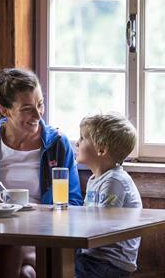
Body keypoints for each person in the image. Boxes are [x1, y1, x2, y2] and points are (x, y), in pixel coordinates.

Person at [0, 68, 83, 278]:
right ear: (5, 110)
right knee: (24, 271)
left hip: (48, 237)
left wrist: (38, 216)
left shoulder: (58, 145)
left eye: (40, 104)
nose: (38, 114)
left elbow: (75, 203)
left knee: (19, 258)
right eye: (27, 108)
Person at [75, 113, 142, 278]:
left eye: (83, 138)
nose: (77, 142)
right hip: (93, 257)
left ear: (101, 149)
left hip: (109, 263)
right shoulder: (95, 179)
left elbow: (101, 227)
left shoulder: (114, 181)